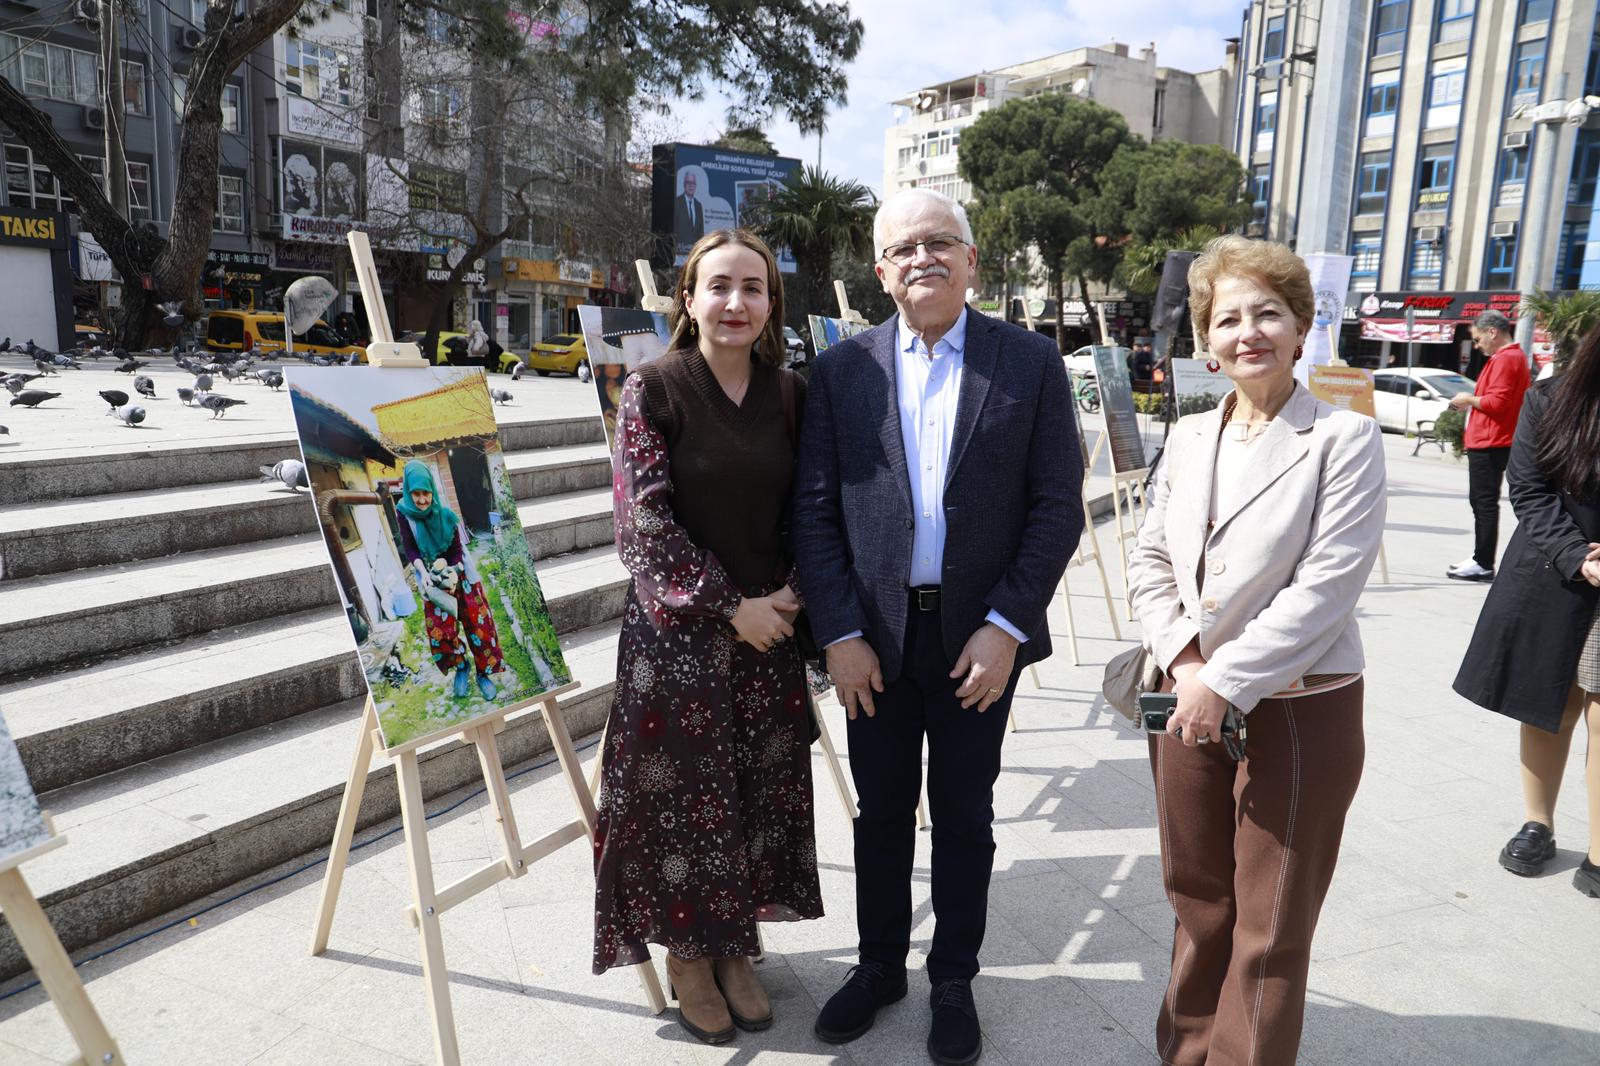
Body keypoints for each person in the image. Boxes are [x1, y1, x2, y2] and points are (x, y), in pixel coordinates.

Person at [793, 188, 1081, 1065]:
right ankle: (879, 964)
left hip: (976, 642)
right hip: (872, 640)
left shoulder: (1028, 363)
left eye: (941, 242)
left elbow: (1056, 508)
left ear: (972, 261)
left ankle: (953, 974)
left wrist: (1005, 625)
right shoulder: (840, 373)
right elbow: (813, 514)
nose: (924, 257)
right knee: (881, 810)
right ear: (880, 271)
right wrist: (837, 633)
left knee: (964, 811)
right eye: (904, 247)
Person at [1126, 235, 1387, 1066]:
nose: (1249, 332)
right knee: (1197, 898)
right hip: (1185, 694)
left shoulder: (1343, 439)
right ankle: (1188, 1050)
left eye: (1268, 313)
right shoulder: (1192, 435)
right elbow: (1149, 558)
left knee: (1270, 920)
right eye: (1228, 318)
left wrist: (1227, 680)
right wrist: (1186, 663)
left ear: (1302, 327)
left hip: (1299, 707)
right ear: (1206, 341)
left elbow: (1327, 587)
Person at [591, 228, 822, 1045]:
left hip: (770, 635)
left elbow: (811, 503)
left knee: (755, 795)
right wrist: (733, 607)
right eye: (718, 286)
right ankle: (690, 952)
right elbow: (643, 526)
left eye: (753, 288)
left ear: (771, 304)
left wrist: (792, 594)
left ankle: (735, 949)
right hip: (680, 637)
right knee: (682, 803)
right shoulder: (651, 390)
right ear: (687, 298)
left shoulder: (791, 392)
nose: (736, 302)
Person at [1453, 322, 1600, 899]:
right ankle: (1538, 822)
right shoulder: (1553, 399)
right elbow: (1529, 488)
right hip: (1553, 571)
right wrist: (1576, 555)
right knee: (1550, 705)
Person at [394, 460, 504, 702]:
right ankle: (461, 666)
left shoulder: (445, 515)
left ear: (432, 491)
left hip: (459, 572)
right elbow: (410, 547)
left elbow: (455, 550)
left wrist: (452, 573)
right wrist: (423, 574)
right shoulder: (404, 513)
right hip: (431, 578)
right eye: (416, 494)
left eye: (426, 493)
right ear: (408, 492)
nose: (422, 500)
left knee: (479, 625)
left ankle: (484, 674)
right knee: (440, 632)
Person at [1446, 310, 1531, 582]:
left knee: (1483, 503)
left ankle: (1483, 562)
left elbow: (1498, 403)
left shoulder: (1508, 359)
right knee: (1482, 502)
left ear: (1492, 332)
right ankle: (1480, 559)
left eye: (1479, 338)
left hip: (1492, 441)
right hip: (1490, 439)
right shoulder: (1507, 358)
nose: (1477, 344)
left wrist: (1468, 399)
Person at [674, 171, 706, 249]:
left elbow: (700, 232)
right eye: (688, 182)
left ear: (696, 186)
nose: (691, 185)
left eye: (693, 183)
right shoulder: (676, 202)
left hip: (694, 253)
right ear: (684, 184)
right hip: (678, 252)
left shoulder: (699, 206)